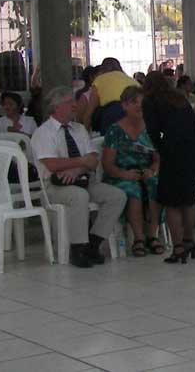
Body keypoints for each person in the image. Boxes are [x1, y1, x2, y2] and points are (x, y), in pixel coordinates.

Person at [31, 86, 127, 268]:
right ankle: (78, 247)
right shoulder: (44, 133)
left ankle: (94, 242)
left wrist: (76, 170)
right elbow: (51, 164)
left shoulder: (79, 130)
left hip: (82, 179)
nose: (75, 106)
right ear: (57, 106)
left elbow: (92, 160)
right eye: (70, 102)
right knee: (79, 196)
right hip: (55, 186)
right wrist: (80, 161)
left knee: (117, 195)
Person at [141, 72, 195, 264]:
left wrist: (161, 151)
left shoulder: (150, 101)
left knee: (171, 202)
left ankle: (177, 247)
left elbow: (153, 131)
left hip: (174, 151)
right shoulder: (179, 97)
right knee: (188, 198)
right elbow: (194, 122)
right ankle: (189, 240)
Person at [102, 87, 162, 257]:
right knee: (133, 188)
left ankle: (152, 235)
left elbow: (159, 158)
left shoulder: (152, 128)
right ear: (124, 105)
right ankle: (138, 238)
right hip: (120, 174)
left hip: (146, 172)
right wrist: (124, 174)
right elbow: (107, 164)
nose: (139, 106)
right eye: (133, 102)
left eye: (142, 103)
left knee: (156, 184)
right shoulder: (115, 130)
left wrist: (153, 170)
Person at [80, 57, 140, 134]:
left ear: (103, 69)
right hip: (135, 114)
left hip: (112, 114)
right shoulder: (132, 80)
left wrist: (84, 134)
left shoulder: (100, 80)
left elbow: (90, 110)